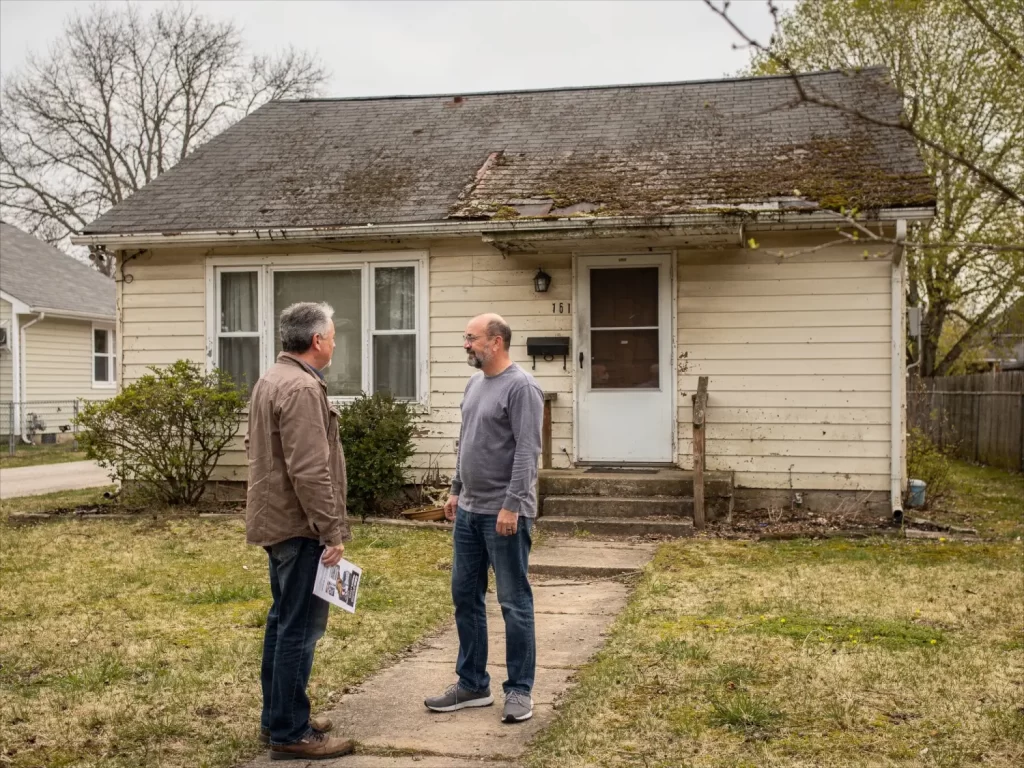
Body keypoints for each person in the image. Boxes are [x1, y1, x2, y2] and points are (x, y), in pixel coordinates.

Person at [245, 301, 355, 761]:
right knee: (300, 630)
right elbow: (310, 470)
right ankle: (291, 732)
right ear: (316, 341)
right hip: (301, 527)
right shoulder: (302, 389)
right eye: (331, 335)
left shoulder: (273, 378)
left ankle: (279, 718)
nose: (333, 342)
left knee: (282, 623)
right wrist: (331, 531)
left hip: (279, 524)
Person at [423, 313, 544, 724]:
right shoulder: (475, 384)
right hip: (470, 512)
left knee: (514, 602)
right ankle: (473, 684)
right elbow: (467, 442)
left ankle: (520, 691)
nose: (466, 345)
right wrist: (457, 489)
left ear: (496, 342)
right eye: (465, 338)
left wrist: (512, 504)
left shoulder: (522, 387)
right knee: (465, 596)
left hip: (504, 514)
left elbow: (528, 452)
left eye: (471, 338)